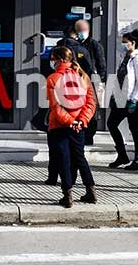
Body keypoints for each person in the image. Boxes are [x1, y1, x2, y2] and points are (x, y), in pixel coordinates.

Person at [47, 46, 97, 208]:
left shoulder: (53, 78)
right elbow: (91, 102)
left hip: (59, 125)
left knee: (64, 159)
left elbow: (56, 107)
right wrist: (81, 120)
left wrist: (70, 121)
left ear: (60, 60)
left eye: (53, 59)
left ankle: (67, 196)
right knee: (80, 157)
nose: (51, 62)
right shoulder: (83, 76)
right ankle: (91, 191)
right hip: (79, 126)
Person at [107, 30, 138, 171]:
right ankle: (122, 155)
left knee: (135, 129)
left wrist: (134, 99)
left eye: (125, 42)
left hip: (133, 100)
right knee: (111, 124)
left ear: (133, 43)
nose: (123, 44)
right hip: (121, 98)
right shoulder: (125, 56)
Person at [74, 19, 106, 146]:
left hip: (91, 82)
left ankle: (89, 136)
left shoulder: (94, 45)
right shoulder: (76, 44)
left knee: (91, 109)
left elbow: (101, 65)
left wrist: (99, 81)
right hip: (78, 82)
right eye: (78, 30)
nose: (80, 33)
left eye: (82, 30)